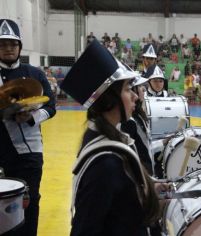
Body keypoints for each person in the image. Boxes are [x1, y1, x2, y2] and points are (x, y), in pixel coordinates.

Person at [60, 39, 168, 235]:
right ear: (109, 98)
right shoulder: (105, 163)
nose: (135, 96)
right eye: (128, 89)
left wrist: (148, 188)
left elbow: (120, 202)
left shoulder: (112, 139)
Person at [0, 19, 56, 235]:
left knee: (28, 202)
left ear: (19, 47)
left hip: (29, 153)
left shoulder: (35, 74)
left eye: (12, 44)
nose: (8, 49)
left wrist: (31, 118)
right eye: (3, 44)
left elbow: (51, 106)